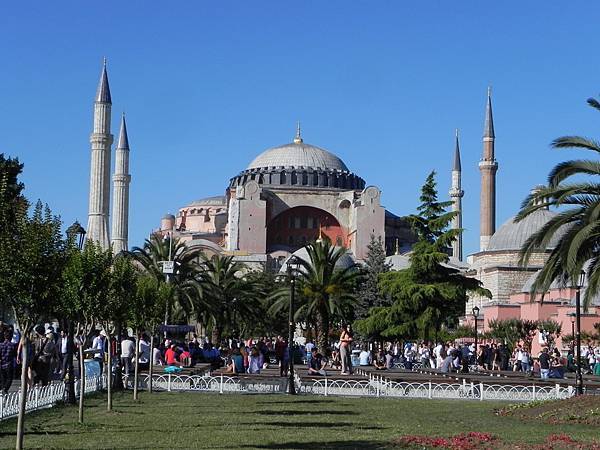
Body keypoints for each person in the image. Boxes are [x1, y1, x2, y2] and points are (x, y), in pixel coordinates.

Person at [0, 329, 16, 394]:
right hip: (9, 364)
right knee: (9, 378)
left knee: (3, 378)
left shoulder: (0, 345)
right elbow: (14, 355)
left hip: (2, 364)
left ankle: (2, 390)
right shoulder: (12, 345)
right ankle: (5, 389)